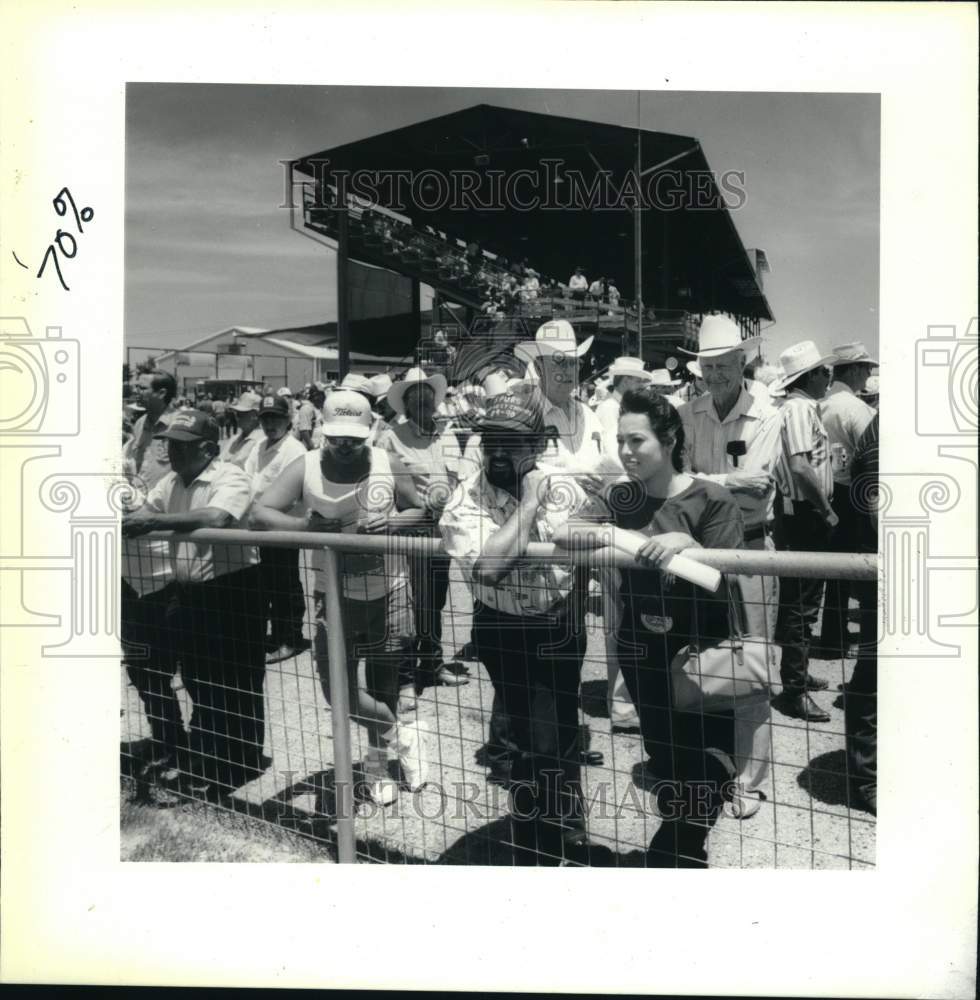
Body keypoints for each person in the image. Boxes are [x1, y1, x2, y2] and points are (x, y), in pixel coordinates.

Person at [555, 388, 746, 867]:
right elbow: (563, 533)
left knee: (708, 767)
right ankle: (677, 860)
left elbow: (727, 573)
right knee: (665, 762)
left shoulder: (712, 498)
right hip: (643, 652)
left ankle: (673, 855)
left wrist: (687, 543)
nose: (624, 451)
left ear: (670, 438)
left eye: (636, 441)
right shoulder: (620, 496)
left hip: (704, 653)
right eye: (620, 440)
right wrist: (619, 536)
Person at [440, 384, 597, 865]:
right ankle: (540, 836)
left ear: (537, 445)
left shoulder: (565, 485)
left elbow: (597, 529)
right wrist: (529, 506)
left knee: (557, 730)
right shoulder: (466, 496)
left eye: (510, 442)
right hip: (502, 627)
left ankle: (560, 828)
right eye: (490, 442)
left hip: (558, 623)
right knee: (530, 738)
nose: (497, 452)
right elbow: (488, 568)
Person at [250, 391, 427, 806]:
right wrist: (304, 526)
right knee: (339, 692)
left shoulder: (386, 461)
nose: (345, 446)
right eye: (336, 438)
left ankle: (378, 765)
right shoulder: (306, 465)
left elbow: (422, 510)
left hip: (391, 591)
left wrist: (396, 523)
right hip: (333, 593)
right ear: (323, 433)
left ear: (368, 433)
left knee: (383, 683)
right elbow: (261, 513)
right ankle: (402, 733)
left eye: (354, 438)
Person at [122, 410, 266, 800]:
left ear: (207, 448)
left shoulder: (229, 475)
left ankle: (243, 760)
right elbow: (147, 511)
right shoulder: (171, 481)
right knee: (200, 678)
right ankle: (213, 756)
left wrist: (152, 522)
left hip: (233, 590)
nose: (172, 450)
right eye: (169, 442)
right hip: (191, 593)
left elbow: (216, 516)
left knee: (237, 677)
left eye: (182, 445)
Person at [676, 315, 783, 815]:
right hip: (698, 551)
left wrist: (701, 481)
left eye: (724, 365)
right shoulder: (686, 411)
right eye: (708, 366)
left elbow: (759, 485)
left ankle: (749, 780)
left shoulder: (769, 414)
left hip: (750, 550)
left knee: (754, 665)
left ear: (743, 361)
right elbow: (686, 479)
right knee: (700, 656)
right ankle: (706, 766)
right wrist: (720, 482)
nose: (715, 375)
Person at [380, 368, 470, 703]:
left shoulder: (446, 434)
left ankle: (431, 662)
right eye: (415, 398)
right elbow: (387, 484)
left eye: (428, 397)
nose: (424, 402)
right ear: (405, 403)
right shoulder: (391, 436)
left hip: (441, 530)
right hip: (411, 530)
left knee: (434, 598)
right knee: (407, 602)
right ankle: (404, 677)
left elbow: (458, 478)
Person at [121, 370, 185, 788]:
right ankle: (168, 736)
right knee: (143, 665)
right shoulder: (137, 430)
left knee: (181, 660)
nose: (136, 391)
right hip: (132, 566)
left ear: (162, 392)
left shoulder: (181, 428)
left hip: (166, 561)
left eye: (143, 386)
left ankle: (195, 743)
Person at [769, 340, 838, 723]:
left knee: (801, 601)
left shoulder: (799, 407)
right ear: (810, 375)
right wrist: (826, 509)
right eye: (824, 372)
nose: (828, 378)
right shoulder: (799, 410)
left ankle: (798, 672)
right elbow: (799, 466)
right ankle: (793, 689)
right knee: (801, 605)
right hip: (804, 515)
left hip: (801, 513)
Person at [813, 341, 877, 659]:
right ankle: (857, 639)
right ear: (853, 370)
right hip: (853, 494)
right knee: (858, 570)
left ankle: (832, 634)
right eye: (866, 368)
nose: (868, 374)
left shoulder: (820, 404)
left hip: (823, 492)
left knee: (832, 572)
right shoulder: (856, 409)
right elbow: (872, 453)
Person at [244, 394, 310, 664]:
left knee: (285, 583)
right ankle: (275, 633)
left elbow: (292, 493)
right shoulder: (259, 446)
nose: (270, 423)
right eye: (266, 418)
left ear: (288, 420)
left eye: (276, 418)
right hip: (257, 525)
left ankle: (290, 637)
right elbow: (248, 478)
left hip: (281, 525)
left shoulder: (294, 450)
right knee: (265, 583)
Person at [843, 411, 878, 814]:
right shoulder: (880, 436)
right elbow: (877, 509)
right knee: (872, 670)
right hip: (894, 565)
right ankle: (866, 778)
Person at [594, 357, 656, 457]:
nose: (642, 386)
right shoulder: (609, 408)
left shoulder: (623, 406)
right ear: (626, 381)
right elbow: (613, 450)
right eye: (638, 381)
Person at [221, 391, 264, 468]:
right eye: (236, 414)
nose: (237, 418)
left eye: (241, 414)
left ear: (255, 415)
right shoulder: (235, 438)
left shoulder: (262, 442)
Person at [294, 384, 324, 450]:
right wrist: (312, 448)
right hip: (309, 449)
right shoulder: (307, 408)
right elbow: (304, 430)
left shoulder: (316, 408)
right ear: (315, 396)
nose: (323, 397)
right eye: (321, 395)